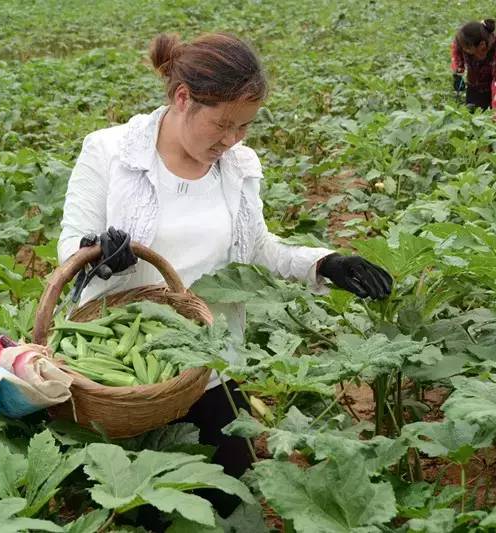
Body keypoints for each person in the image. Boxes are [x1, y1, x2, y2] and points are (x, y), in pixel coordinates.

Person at [57, 32, 392, 526]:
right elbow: (70, 250)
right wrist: (100, 254)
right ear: (182, 98)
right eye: (222, 124)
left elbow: (257, 248)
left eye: (243, 127)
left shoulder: (236, 166)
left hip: (209, 364)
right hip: (123, 371)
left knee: (230, 504)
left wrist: (324, 263)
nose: (231, 139)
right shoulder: (110, 152)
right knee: (142, 510)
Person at [450, 19, 496, 118]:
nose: (464, 50)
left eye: (466, 48)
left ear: (481, 45)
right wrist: (458, 72)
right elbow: (457, 50)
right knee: (473, 111)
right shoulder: (464, 43)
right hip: (477, 76)